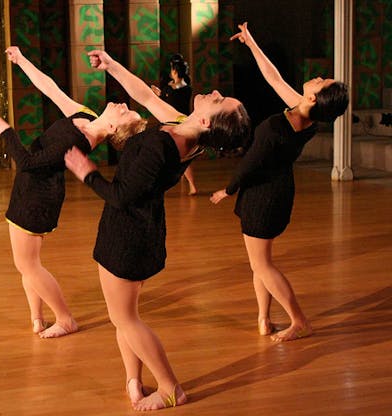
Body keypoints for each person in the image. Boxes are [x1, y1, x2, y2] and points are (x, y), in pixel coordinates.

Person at [64, 49, 251, 411]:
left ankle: (170, 388)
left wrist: (85, 171)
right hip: (140, 228)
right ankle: (134, 380)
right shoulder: (186, 130)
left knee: (125, 319)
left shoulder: (160, 146)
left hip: (127, 236)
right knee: (124, 316)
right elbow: (147, 96)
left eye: (219, 101)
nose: (213, 93)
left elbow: (118, 196)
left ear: (208, 123)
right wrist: (112, 65)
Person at [0, 46, 147, 339]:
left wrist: (5, 130)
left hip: (37, 199)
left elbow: (27, 163)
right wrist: (22, 59)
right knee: (26, 264)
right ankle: (37, 317)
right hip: (29, 192)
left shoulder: (77, 143)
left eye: (124, 113)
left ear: (112, 128)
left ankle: (65, 318)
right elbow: (50, 88)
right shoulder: (85, 115)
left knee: (28, 265)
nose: (122, 105)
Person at [210, 22, 349, 342]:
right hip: (276, 191)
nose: (316, 77)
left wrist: (226, 190)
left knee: (262, 266)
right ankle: (263, 318)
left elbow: (250, 164)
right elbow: (273, 78)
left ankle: (299, 321)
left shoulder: (277, 128)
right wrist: (251, 43)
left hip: (263, 196)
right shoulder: (307, 116)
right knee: (261, 263)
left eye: (321, 81)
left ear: (314, 97)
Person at [151, 54, 197, 195]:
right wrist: (162, 93)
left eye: (172, 69)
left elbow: (167, 102)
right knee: (182, 154)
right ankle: (189, 183)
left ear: (175, 71)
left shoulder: (170, 89)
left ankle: (192, 186)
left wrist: (158, 94)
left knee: (180, 156)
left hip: (173, 124)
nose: (170, 72)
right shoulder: (186, 87)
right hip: (184, 121)